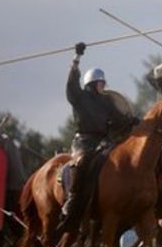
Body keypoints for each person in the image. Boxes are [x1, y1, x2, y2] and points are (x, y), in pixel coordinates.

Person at [57, 42, 135, 234]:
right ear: (92, 84)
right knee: (83, 163)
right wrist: (76, 58)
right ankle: (72, 200)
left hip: (103, 142)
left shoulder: (106, 102)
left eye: (103, 83)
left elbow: (118, 120)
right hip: (83, 142)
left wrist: (133, 120)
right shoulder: (80, 97)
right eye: (100, 83)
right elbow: (71, 83)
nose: (103, 86)